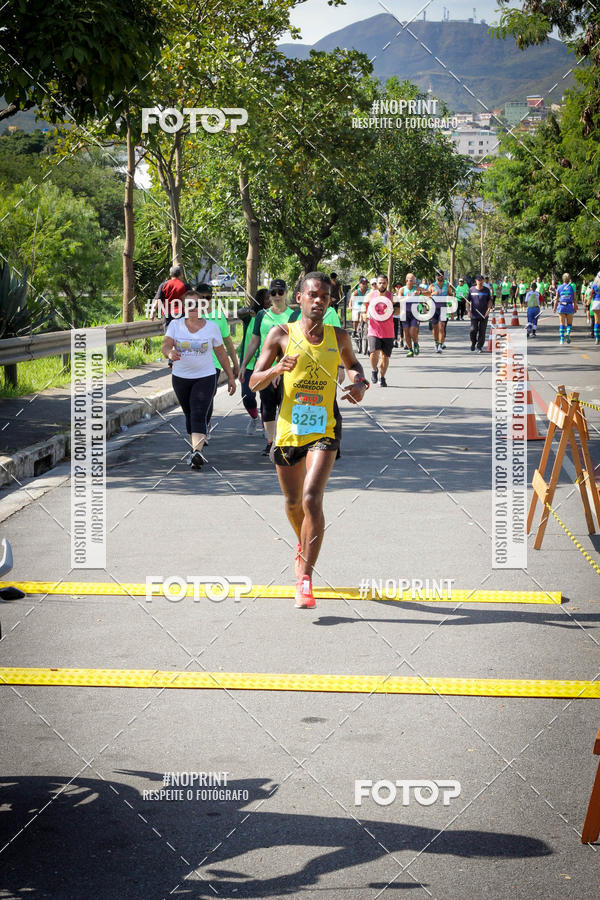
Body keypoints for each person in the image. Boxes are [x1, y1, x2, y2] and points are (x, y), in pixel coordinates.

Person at [249, 272, 369, 609]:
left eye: (326, 297)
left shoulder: (339, 336)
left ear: (330, 302)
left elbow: (355, 366)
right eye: (313, 295)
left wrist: (360, 383)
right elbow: (255, 382)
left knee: (311, 498)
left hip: (325, 428)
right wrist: (276, 371)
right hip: (288, 432)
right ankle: (302, 544)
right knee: (292, 503)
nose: (319, 301)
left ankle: (305, 578)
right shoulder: (280, 335)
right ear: (299, 298)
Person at [162, 290, 236, 469]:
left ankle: (198, 452)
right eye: (189, 304)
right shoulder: (175, 325)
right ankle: (194, 450)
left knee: (198, 412)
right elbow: (166, 344)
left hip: (206, 376)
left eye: (196, 304)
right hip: (181, 377)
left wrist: (231, 377)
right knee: (189, 413)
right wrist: (169, 352)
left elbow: (221, 353)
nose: (193, 308)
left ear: (202, 306)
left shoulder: (212, 327)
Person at [239, 278, 298, 457]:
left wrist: (280, 367)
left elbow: (295, 344)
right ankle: (271, 442)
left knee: (286, 405)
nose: (277, 296)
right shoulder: (262, 316)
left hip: (288, 368)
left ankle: (286, 440)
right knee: (267, 405)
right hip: (265, 368)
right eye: (273, 293)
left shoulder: (294, 316)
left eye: (281, 292)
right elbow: (254, 340)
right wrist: (243, 365)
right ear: (269, 295)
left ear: (286, 293)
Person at [237, 287, 270, 434]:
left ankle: (267, 427)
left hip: (266, 365)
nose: (271, 300)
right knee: (247, 397)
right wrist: (249, 311)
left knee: (266, 399)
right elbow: (239, 313)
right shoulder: (250, 318)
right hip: (248, 365)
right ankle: (254, 417)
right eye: (267, 298)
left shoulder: (274, 318)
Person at [366, 274, 394, 386]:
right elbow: (364, 306)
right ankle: (374, 370)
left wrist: (392, 310)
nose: (382, 285)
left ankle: (382, 377)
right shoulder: (370, 295)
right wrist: (364, 313)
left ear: (387, 284)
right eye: (380, 283)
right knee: (373, 353)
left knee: (385, 356)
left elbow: (397, 310)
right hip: (374, 329)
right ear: (376, 284)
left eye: (384, 283)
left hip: (388, 331)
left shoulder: (391, 296)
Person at [398, 272, 425, 357]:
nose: (413, 281)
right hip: (404, 313)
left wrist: (420, 292)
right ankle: (410, 350)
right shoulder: (402, 289)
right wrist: (407, 298)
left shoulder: (417, 288)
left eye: (414, 280)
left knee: (412, 331)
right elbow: (399, 300)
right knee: (406, 333)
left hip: (415, 313)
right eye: (411, 280)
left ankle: (416, 343)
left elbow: (428, 293)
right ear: (406, 280)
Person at [428, 271, 455, 352]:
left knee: (441, 327)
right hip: (434, 309)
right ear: (436, 277)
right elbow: (427, 296)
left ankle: (440, 345)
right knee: (435, 328)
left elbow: (450, 294)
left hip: (443, 308)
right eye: (438, 275)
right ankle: (436, 343)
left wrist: (453, 295)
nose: (440, 277)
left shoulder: (447, 285)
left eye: (441, 276)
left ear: (443, 276)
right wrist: (433, 294)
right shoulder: (432, 286)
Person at [467, 275, 493, 352]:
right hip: (474, 314)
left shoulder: (486, 290)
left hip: (484, 314)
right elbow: (467, 301)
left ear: (483, 281)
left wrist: (488, 310)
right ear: (476, 281)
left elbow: (490, 301)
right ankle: (473, 343)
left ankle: (479, 346)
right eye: (478, 280)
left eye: (481, 280)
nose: (480, 281)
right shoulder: (471, 290)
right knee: (473, 330)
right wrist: (468, 311)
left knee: (482, 331)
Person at [553, 272, 578, 344]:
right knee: (569, 324)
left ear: (563, 279)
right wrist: (575, 307)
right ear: (569, 279)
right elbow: (575, 299)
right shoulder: (572, 287)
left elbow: (556, 299)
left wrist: (554, 308)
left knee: (562, 323)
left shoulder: (559, 287)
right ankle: (568, 333)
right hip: (569, 306)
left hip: (561, 307)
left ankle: (561, 339)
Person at [589, 274, 600, 344]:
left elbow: (591, 294)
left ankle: (597, 338)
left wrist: (588, 303)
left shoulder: (594, 284)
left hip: (596, 303)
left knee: (596, 322)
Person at [392, 281, 403, 347]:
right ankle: (395, 340)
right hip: (395, 313)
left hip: (402, 313)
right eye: (397, 287)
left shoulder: (403, 294)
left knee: (402, 327)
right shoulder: (393, 295)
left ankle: (402, 340)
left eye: (400, 286)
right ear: (395, 288)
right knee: (395, 327)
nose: (398, 288)